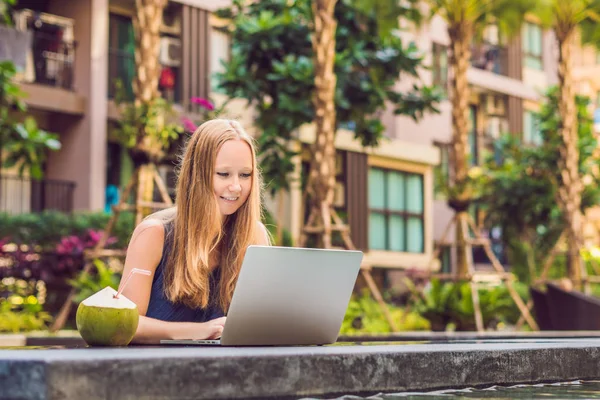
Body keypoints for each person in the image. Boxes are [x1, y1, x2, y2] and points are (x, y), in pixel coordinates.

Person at [119, 119, 271, 344]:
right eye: (223, 174)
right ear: (197, 175)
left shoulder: (254, 235)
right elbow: (125, 323)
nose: (237, 186)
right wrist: (197, 331)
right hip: (158, 371)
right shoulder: (154, 234)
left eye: (245, 175)